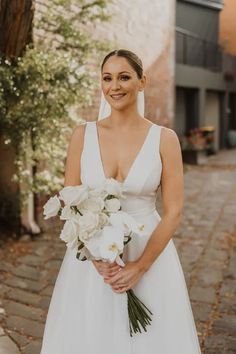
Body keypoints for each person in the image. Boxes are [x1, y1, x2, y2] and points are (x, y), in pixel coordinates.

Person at [40, 49, 202, 353]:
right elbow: (70, 201)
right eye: (107, 78)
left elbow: (174, 211)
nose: (115, 86)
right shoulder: (82, 135)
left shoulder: (164, 139)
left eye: (124, 77)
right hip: (93, 259)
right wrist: (96, 258)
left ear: (142, 82)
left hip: (148, 251)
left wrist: (139, 267)